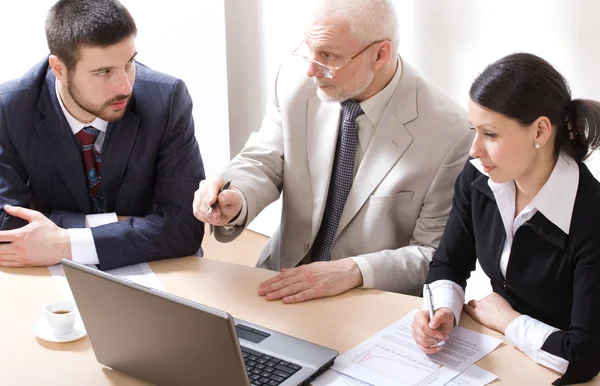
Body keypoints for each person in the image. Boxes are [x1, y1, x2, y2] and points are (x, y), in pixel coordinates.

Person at [193, 0, 472, 303]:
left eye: (328, 56)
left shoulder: (450, 133)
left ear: (381, 54)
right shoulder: (294, 78)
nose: (311, 69)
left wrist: (354, 270)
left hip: (366, 302)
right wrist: (238, 197)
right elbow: (264, 159)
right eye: (308, 48)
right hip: (279, 279)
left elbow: (433, 254)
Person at [411, 53, 600, 385]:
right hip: (506, 357)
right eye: (474, 131)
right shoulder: (477, 182)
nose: (474, 150)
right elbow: (448, 265)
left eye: (491, 135)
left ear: (540, 130)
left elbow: (583, 358)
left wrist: (507, 321)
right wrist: (443, 309)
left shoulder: (591, 218)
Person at [0, 0, 205, 270]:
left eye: (129, 62)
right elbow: (8, 230)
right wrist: (127, 224)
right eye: (104, 72)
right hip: (48, 271)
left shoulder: (166, 99)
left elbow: (184, 228)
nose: (125, 85)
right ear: (59, 69)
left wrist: (66, 242)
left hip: (158, 268)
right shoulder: (10, 108)